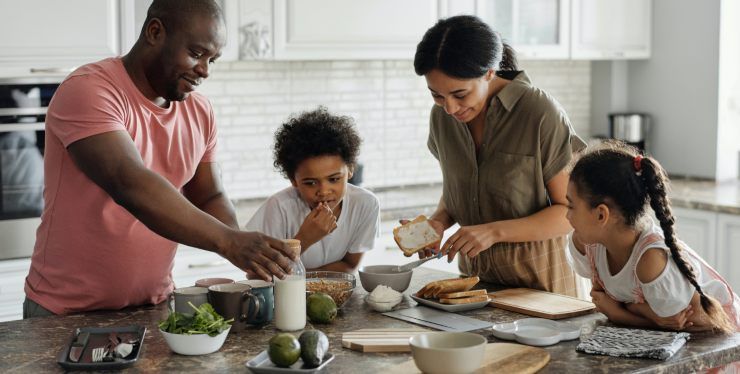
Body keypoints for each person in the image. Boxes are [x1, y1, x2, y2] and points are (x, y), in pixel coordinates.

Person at [23, 0, 294, 318]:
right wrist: (229, 242)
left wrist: (246, 249)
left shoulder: (199, 111)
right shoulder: (89, 90)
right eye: (196, 53)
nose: (204, 70)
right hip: (65, 312)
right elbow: (130, 183)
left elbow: (209, 195)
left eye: (212, 60)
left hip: (155, 306)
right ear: (155, 32)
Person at [410, 15, 585, 296]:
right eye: (437, 95)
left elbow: (571, 213)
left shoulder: (538, 112)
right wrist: (438, 223)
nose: (450, 108)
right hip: (475, 288)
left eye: (460, 94)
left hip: (544, 289)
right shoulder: (441, 118)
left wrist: (493, 232)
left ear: (490, 72)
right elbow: (460, 192)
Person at [566, 142, 738, 333]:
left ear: (601, 215)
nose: (567, 216)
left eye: (571, 206)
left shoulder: (651, 260)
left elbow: (692, 322)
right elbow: (603, 300)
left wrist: (622, 313)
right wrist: (642, 312)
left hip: (721, 341)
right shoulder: (588, 243)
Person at [246, 107, 380, 272]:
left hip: (331, 294)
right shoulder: (279, 207)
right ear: (293, 180)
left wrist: (302, 279)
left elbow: (349, 265)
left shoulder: (365, 204)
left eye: (334, 179)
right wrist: (305, 239)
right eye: (310, 183)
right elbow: (257, 275)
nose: (323, 191)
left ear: (350, 169)